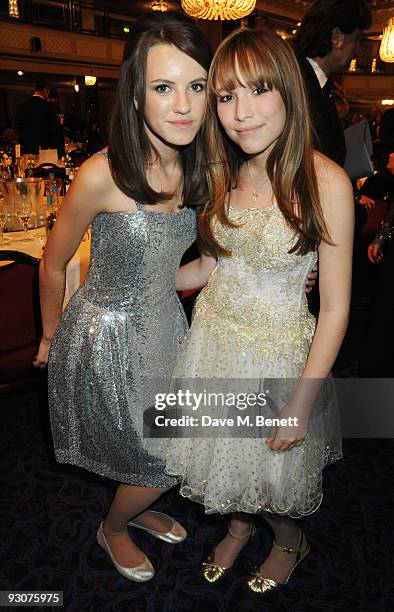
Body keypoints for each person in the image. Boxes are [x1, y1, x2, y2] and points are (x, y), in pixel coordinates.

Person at [164, 26, 354, 595]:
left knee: (272, 474)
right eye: (226, 97)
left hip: (276, 354)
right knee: (226, 460)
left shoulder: (326, 182)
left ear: (289, 92)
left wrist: (301, 403)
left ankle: (289, 538)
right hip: (213, 341)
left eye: (258, 90)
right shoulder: (224, 172)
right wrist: (139, 287)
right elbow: (209, 268)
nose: (240, 113)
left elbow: (337, 309)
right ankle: (240, 527)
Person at [33, 12, 211, 582]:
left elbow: (176, 276)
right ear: (136, 97)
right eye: (164, 87)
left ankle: (138, 506)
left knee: (161, 445)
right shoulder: (100, 173)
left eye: (197, 86)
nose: (183, 105)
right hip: (103, 336)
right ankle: (112, 527)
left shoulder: (202, 170)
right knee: (168, 453)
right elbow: (54, 263)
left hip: (166, 331)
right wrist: (48, 335)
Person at [293, 0, 372, 167]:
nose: (358, 50)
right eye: (357, 40)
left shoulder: (318, 84)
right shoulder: (296, 84)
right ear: (336, 37)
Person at [15, 79, 60, 155]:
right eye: (48, 92)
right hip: (44, 150)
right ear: (46, 90)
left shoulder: (22, 106)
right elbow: (54, 130)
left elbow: (18, 128)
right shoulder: (49, 107)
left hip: (27, 148)